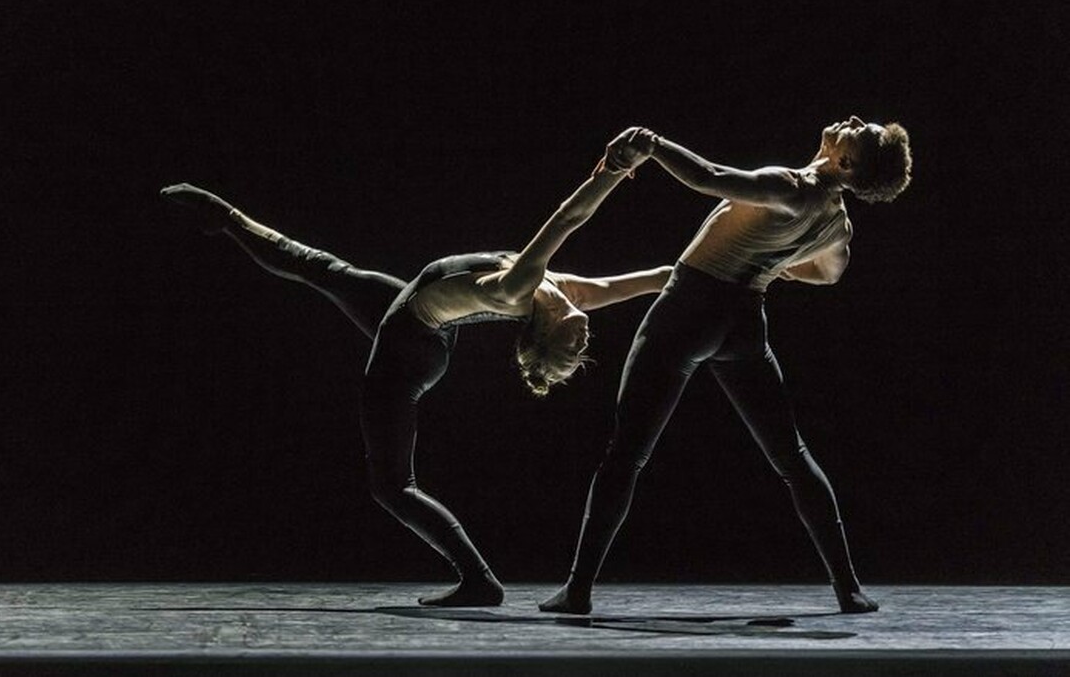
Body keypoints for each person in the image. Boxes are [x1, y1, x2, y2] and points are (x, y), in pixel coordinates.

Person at [161, 151, 672, 607]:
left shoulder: (517, 288)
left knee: (392, 486)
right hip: (420, 322)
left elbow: (568, 218)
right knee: (324, 269)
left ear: (545, 330)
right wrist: (703, 270)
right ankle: (226, 218)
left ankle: (479, 580)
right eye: (579, 346)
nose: (585, 341)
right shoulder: (569, 293)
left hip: (407, 351)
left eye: (572, 347)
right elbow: (656, 278)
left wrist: (613, 170)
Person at [539, 117, 913, 615]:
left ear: (845, 162)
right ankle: (849, 590)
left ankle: (577, 590)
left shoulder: (792, 186)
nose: (853, 121)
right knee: (792, 456)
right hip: (744, 322)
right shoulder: (836, 222)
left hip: (689, 310)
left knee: (626, 454)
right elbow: (828, 273)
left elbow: (709, 176)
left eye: (859, 132)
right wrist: (774, 262)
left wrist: (653, 144)